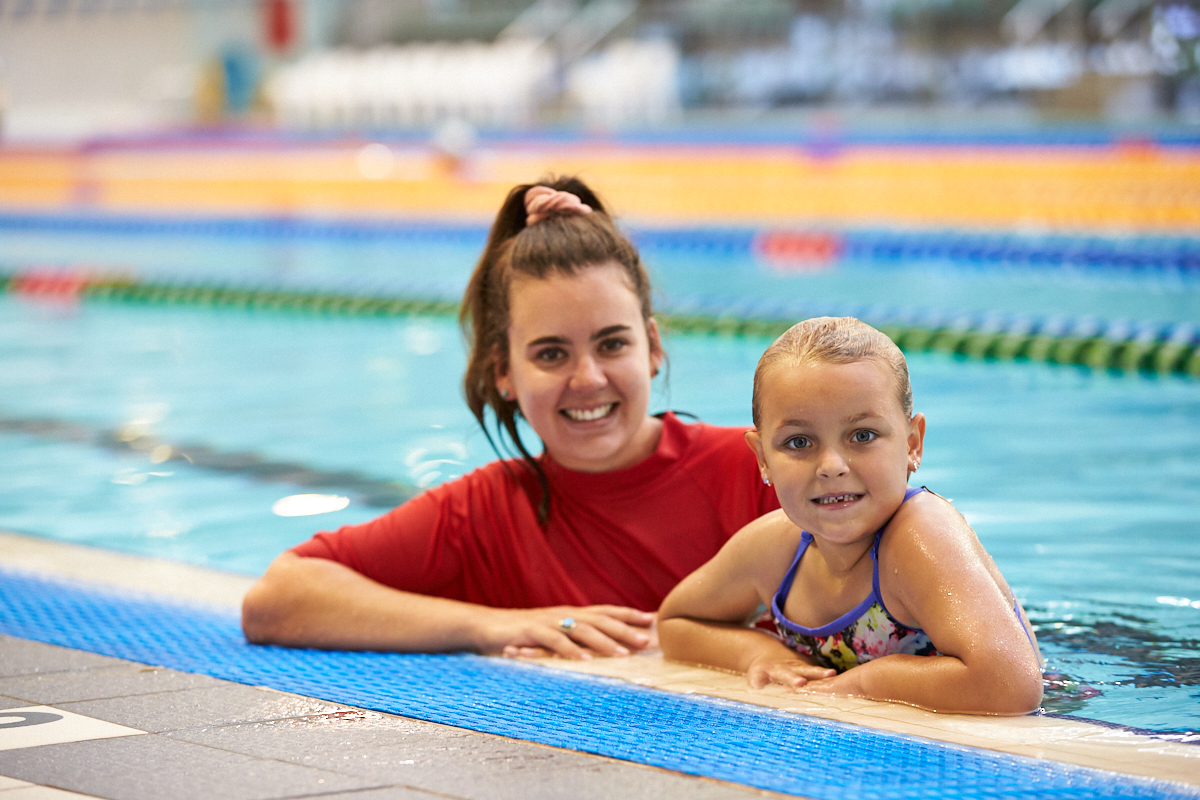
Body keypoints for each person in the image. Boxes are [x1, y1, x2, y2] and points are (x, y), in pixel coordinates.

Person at [242, 177, 779, 659]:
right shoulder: (482, 515)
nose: (587, 378)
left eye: (612, 343)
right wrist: (493, 626)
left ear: (653, 346)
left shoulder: (757, 470)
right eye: (551, 354)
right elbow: (276, 598)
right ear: (504, 371)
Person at [657, 317, 1044, 714]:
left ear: (912, 443)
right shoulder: (774, 549)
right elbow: (676, 623)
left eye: (862, 436)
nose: (831, 465)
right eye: (799, 442)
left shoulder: (921, 535)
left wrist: (866, 681)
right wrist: (758, 653)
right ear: (762, 460)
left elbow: (1012, 687)